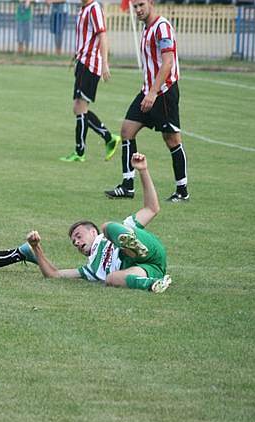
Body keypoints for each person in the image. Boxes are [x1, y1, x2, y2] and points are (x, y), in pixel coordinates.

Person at [22, 153, 172, 293]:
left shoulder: (114, 231)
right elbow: (53, 274)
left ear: (93, 232)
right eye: (74, 242)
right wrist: (36, 247)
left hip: (150, 250)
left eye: (78, 236)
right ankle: (154, 283)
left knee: (108, 227)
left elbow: (152, 209)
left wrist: (143, 170)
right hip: (147, 269)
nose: (76, 242)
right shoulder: (91, 269)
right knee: (111, 278)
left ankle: (134, 246)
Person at [105, 0, 189, 202]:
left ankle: (182, 191)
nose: (138, 10)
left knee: (172, 140)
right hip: (148, 91)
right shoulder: (146, 29)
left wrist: (153, 92)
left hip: (164, 92)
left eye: (141, 4)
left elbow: (168, 62)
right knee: (127, 131)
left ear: (151, 2)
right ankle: (127, 186)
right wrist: (148, 91)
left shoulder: (162, 27)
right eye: (135, 6)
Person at [59, 0, 120, 163]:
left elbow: (103, 35)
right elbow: (86, 39)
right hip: (82, 63)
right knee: (79, 108)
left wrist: (105, 63)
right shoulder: (83, 9)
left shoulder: (94, 9)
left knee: (80, 107)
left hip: (90, 65)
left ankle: (82, 151)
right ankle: (107, 138)